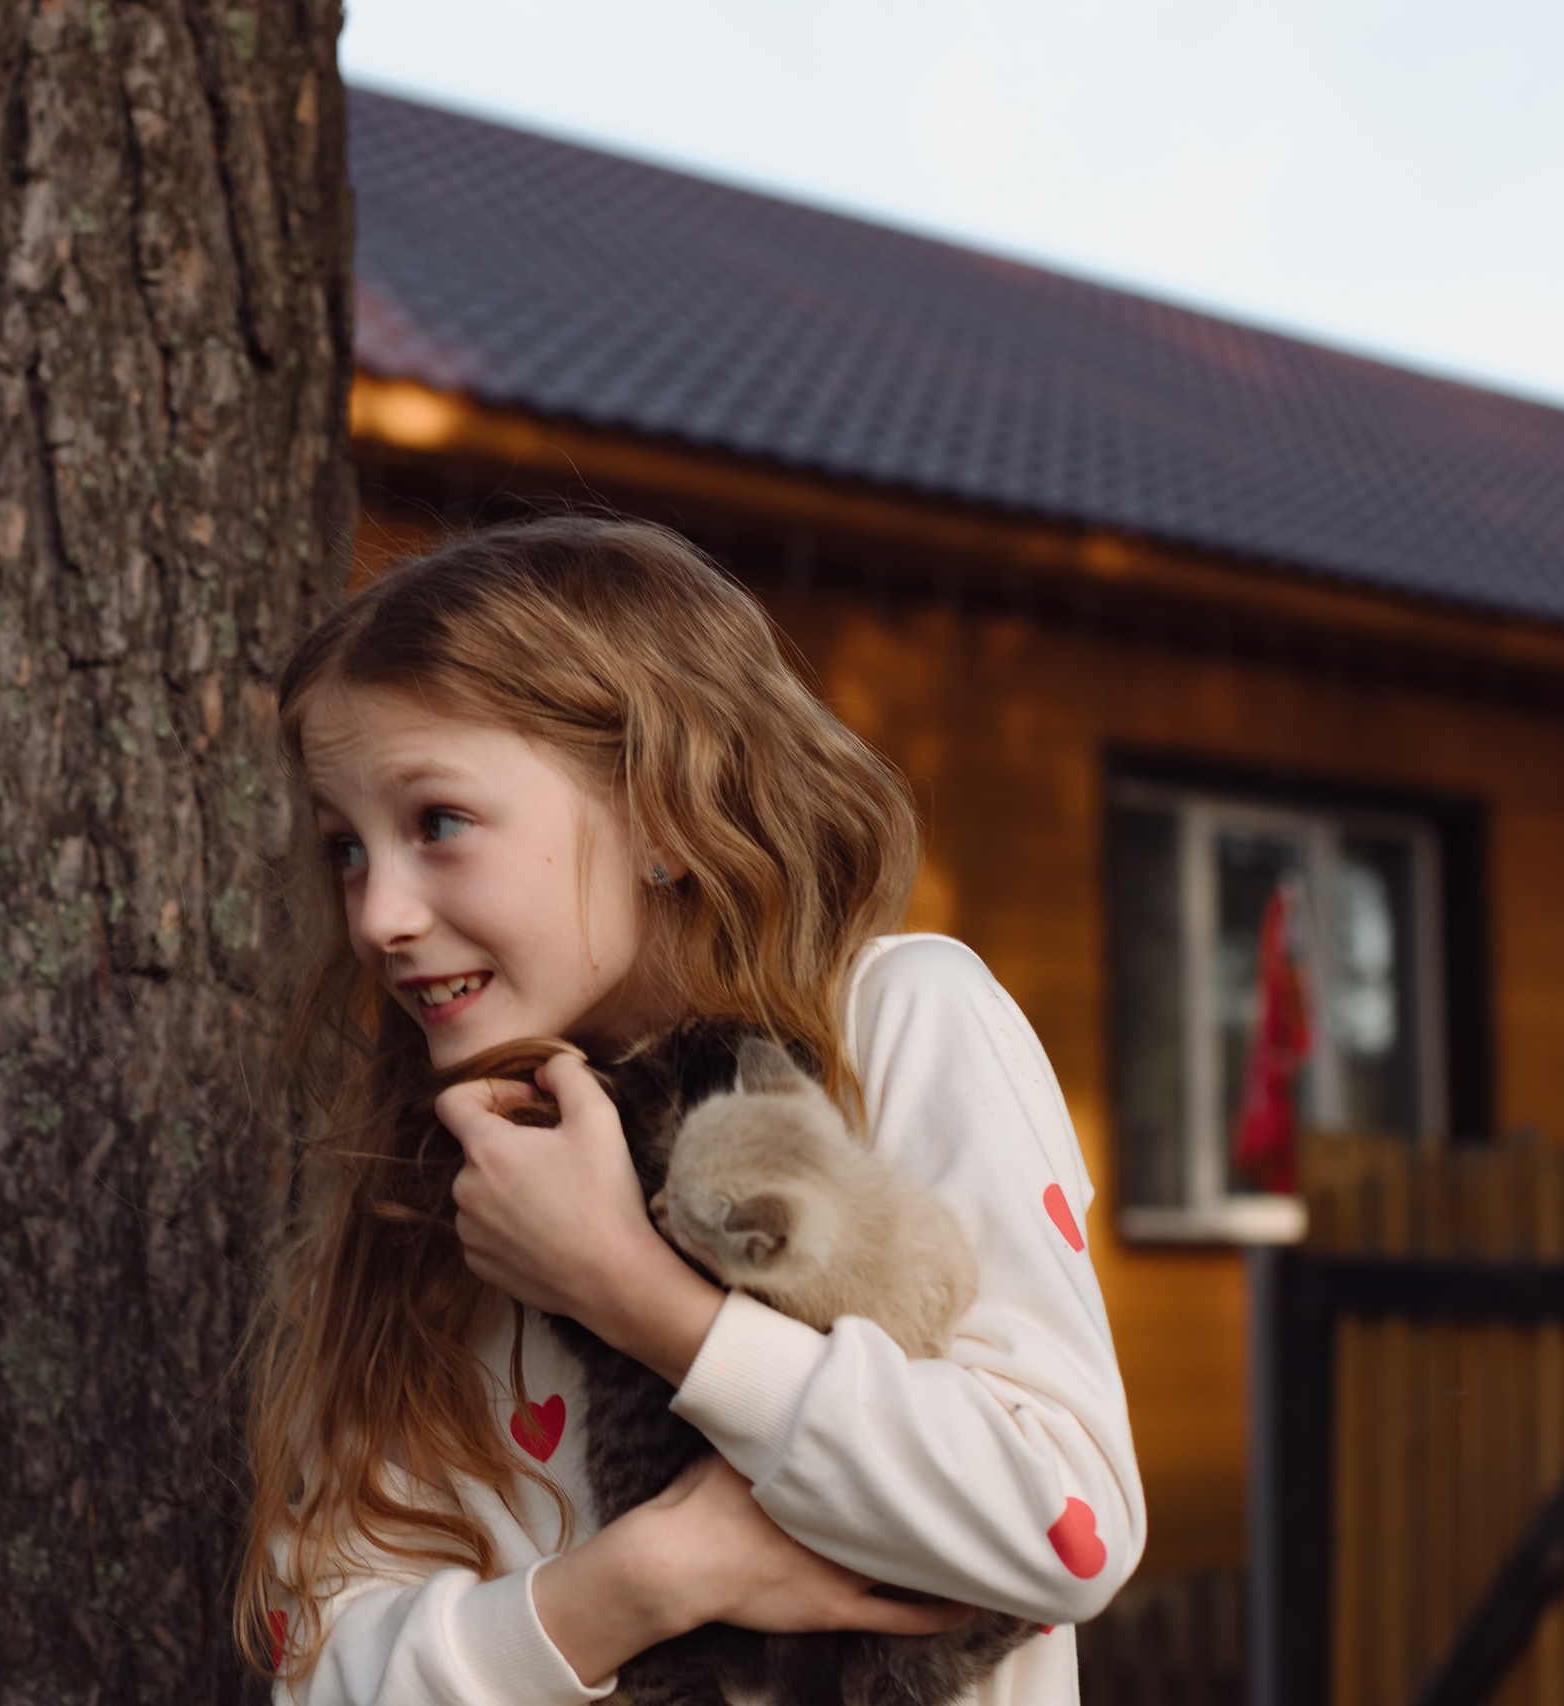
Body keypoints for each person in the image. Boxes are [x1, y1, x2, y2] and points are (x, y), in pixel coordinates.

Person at [236, 517, 1143, 1704]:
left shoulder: (896, 1022)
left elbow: (1065, 1521)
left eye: (437, 823)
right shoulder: (426, 1179)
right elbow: (315, 1671)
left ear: (662, 808)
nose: (378, 915)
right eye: (344, 848)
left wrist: (628, 1287)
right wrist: (653, 1576)